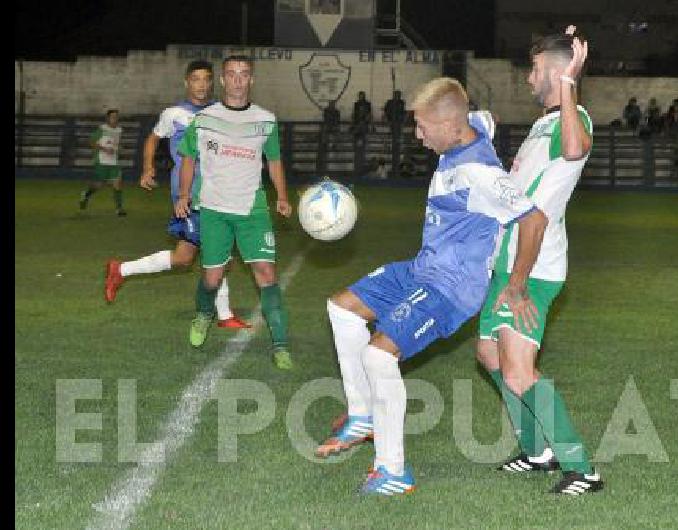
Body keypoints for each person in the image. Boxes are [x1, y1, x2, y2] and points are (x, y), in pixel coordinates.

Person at [314, 77, 542, 496]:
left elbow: (533, 219)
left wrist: (518, 283)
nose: (417, 136)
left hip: (451, 288)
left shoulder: (481, 175)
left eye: (423, 128)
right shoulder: (467, 125)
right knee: (342, 308)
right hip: (422, 269)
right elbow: (476, 115)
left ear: (453, 128)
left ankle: (393, 471)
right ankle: (362, 415)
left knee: (378, 357)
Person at [475, 26, 603, 496]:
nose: (528, 79)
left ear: (552, 71)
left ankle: (582, 468)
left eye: (533, 69)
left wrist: (571, 81)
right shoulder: (541, 125)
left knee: (518, 371)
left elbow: (574, 150)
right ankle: (537, 451)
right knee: (489, 354)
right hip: (506, 264)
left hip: (532, 269)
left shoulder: (574, 120)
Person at [103, 61, 250, 329]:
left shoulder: (222, 112)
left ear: (213, 82)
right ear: (187, 82)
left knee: (185, 257)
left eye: (206, 80)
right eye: (196, 79)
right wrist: (147, 168)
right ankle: (225, 316)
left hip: (219, 193)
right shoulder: (174, 113)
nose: (201, 85)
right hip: (189, 195)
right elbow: (152, 139)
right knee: (218, 253)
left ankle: (120, 270)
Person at [174, 55, 294, 369]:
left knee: (267, 274)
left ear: (251, 80)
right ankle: (203, 314)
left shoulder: (266, 120)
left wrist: (281, 195)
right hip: (214, 208)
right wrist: (184, 194)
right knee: (211, 278)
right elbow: (188, 158)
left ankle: (280, 346)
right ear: (223, 80)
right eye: (232, 74)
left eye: (244, 74)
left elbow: (274, 161)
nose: (238, 80)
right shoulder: (204, 119)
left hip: (252, 209)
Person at [79, 109, 126, 216]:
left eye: (116, 116)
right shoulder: (102, 129)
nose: (115, 119)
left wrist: (119, 148)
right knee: (98, 185)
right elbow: (91, 142)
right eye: (113, 117)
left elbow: (116, 144)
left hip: (114, 162)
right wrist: (105, 149)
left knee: (117, 184)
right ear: (108, 118)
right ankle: (86, 195)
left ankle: (119, 209)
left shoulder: (119, 130)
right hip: (102, 161)